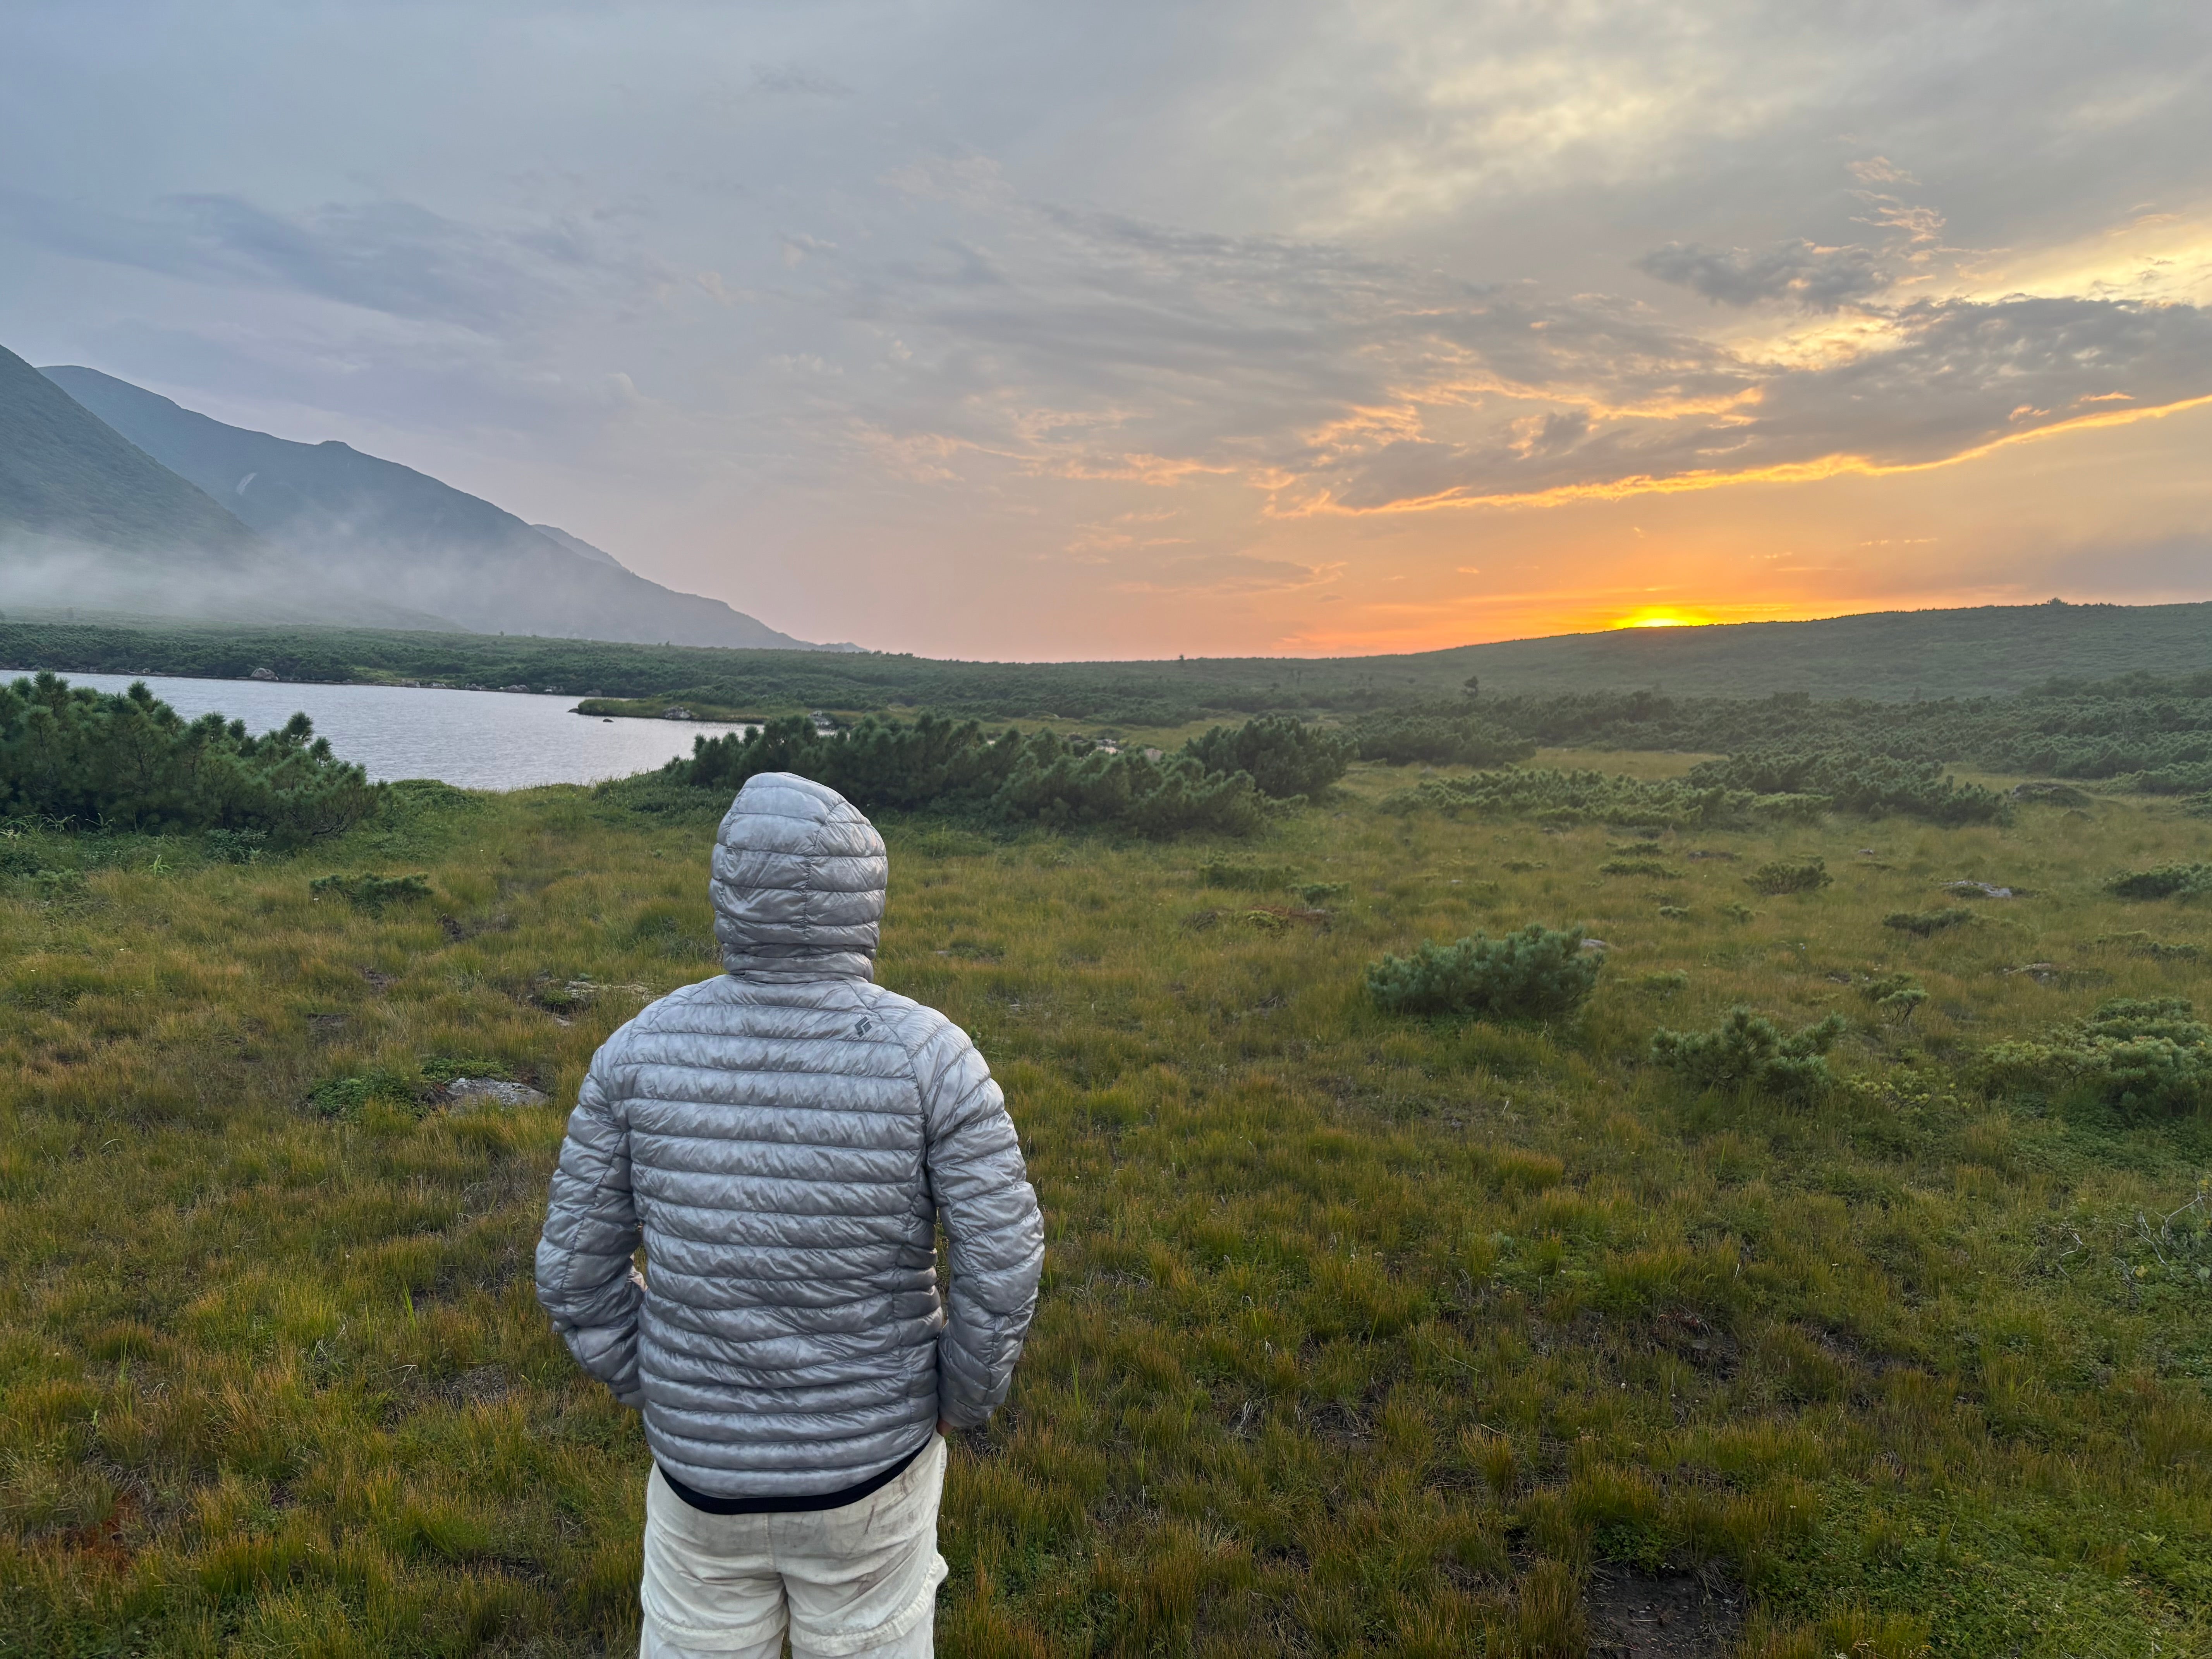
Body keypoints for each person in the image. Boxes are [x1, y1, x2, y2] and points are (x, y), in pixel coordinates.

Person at [535, 772, 1045, 1659]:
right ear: (864, 893)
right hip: (874, 1474)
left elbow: (574, 1277)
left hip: (702, 1487)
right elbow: (1002, 1271)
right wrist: (959, 1401)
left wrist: (658, 1385)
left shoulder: (634, 1052)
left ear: (730, 888)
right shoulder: (935, 1055)